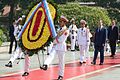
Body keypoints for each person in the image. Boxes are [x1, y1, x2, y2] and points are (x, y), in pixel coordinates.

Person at [41, 15, 69, 80]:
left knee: (61, 62)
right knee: (51, 55)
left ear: (64, 22)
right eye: (60, 21)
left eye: (61, 21)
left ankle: (60, 75)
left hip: (61, 47)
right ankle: (46, 64)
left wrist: (54, 41)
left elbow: (61, 40)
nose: (60, 22)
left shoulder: (66, 30)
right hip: (56, 46)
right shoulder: (59, 29)